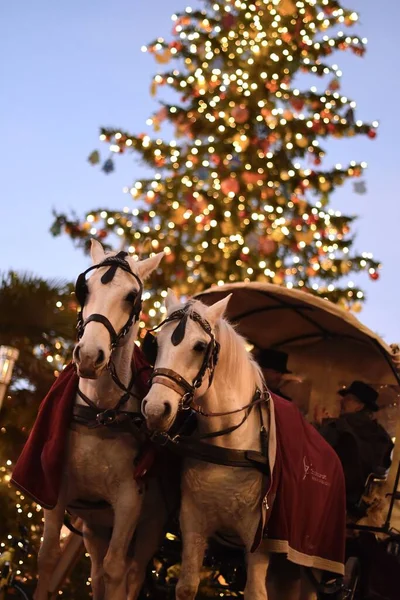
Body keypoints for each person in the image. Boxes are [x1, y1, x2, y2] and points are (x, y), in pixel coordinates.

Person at [318, 380, 394, 515]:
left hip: (329, 496)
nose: (342, 402)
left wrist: (319, 425)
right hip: (362, 506)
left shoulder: (339, 427)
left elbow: (316, 456)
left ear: (359, 406)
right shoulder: (382, 436)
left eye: (348, 400)